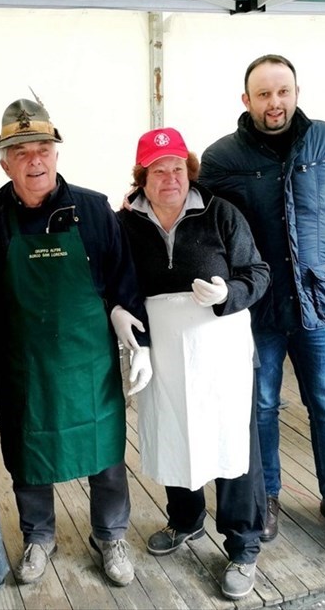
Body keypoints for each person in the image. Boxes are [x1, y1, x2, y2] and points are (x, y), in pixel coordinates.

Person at [199, 54, 325, 548]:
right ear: (246, 99)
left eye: (283, 91)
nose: (275, 103)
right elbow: (201, 224)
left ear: (296, 91)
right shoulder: (223, 157)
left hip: (321, 303)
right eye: (264, 94)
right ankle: (268, 495)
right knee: (262, 405)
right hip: (260, 308)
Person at [0, 98, 153, 587]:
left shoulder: (95, 210)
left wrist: (124, 315)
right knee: (28, 450)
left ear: (57, 153)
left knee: (104, 451)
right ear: (4, 161)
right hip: (25, 363)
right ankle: (38, 536)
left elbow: (123, 279)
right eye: (21, 152)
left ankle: (111, 534)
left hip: (87, 360)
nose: (34, 159)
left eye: (43, 148)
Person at [117, 127, 270, 599]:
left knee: (231, 444)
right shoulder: (126, 224)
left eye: (177, 169)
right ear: (142, 178)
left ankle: (243, 544)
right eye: (158, 171)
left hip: (220, 348)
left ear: (190, 170)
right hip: (162, 350)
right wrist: (122, 315)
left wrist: (231, 294)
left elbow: (257, 273)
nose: (170, 179)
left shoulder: (220, 214)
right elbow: (115, 280)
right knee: (176, 433)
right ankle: (186, 520)